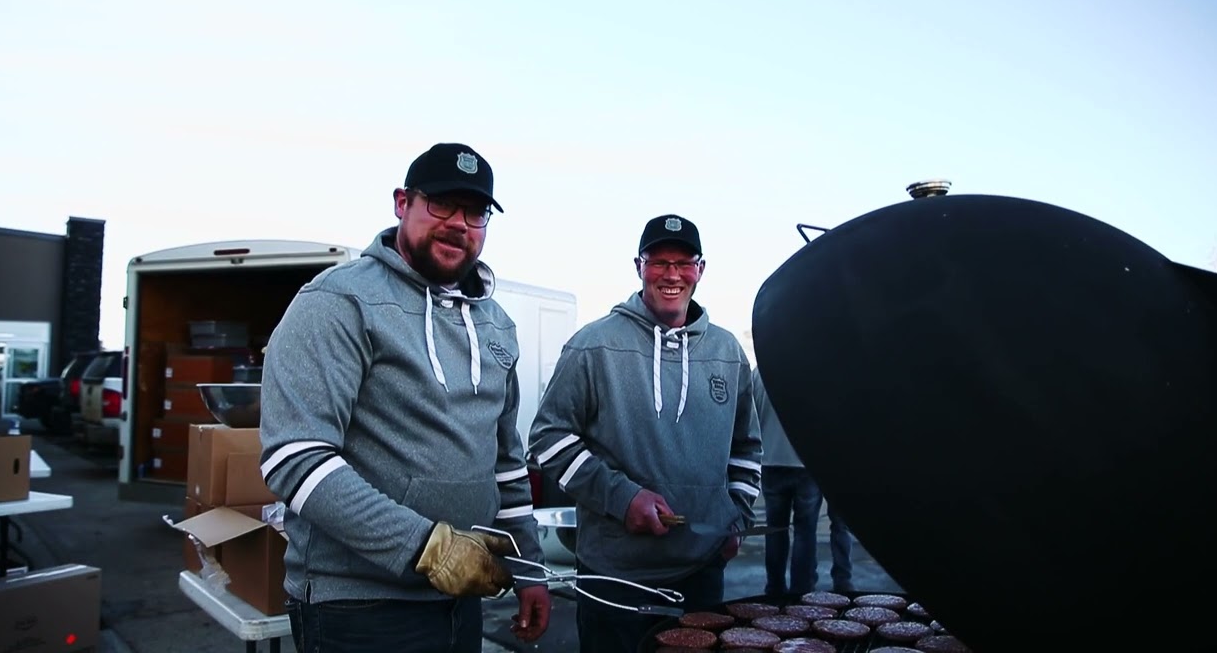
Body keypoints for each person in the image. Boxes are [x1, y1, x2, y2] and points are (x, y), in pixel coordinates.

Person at [259, 142, 551, 653]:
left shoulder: (496, 325)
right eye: (441, 204)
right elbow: (295, 458)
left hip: (461, 602)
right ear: (402, 203)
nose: (460, 223)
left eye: (475, 211)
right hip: (358, 607)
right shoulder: (339, 302)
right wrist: (428, 549)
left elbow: (505, 464)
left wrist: (529, 569)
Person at [529, 213, 762, 652]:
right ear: (638, 266)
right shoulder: (594, 345)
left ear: (701, 269)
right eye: (658, 261)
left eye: (684, 262)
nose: (672, 274)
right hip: (614, 578)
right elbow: (548, 440)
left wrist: (737, 518)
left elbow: (746, 448)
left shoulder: (728, 353)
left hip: (701, 576)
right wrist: (622, 497)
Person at [752, 367, 854, 596]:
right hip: (805, 463)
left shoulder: (761, 371)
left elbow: (753, 415)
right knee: (804, 531)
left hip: (770, 461)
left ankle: (774, 587)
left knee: (775, 530)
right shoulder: (807, 366)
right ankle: (802, 589)